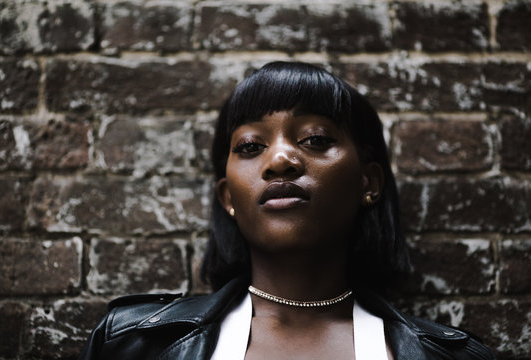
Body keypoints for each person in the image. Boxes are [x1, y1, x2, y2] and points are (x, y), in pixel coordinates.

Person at [79, 61, 497, 359]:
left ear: (367, 183)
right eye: (250, 146)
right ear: (228, 198)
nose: (279, 160)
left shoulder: (452, 355)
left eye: (314, 139)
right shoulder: (130, 343)